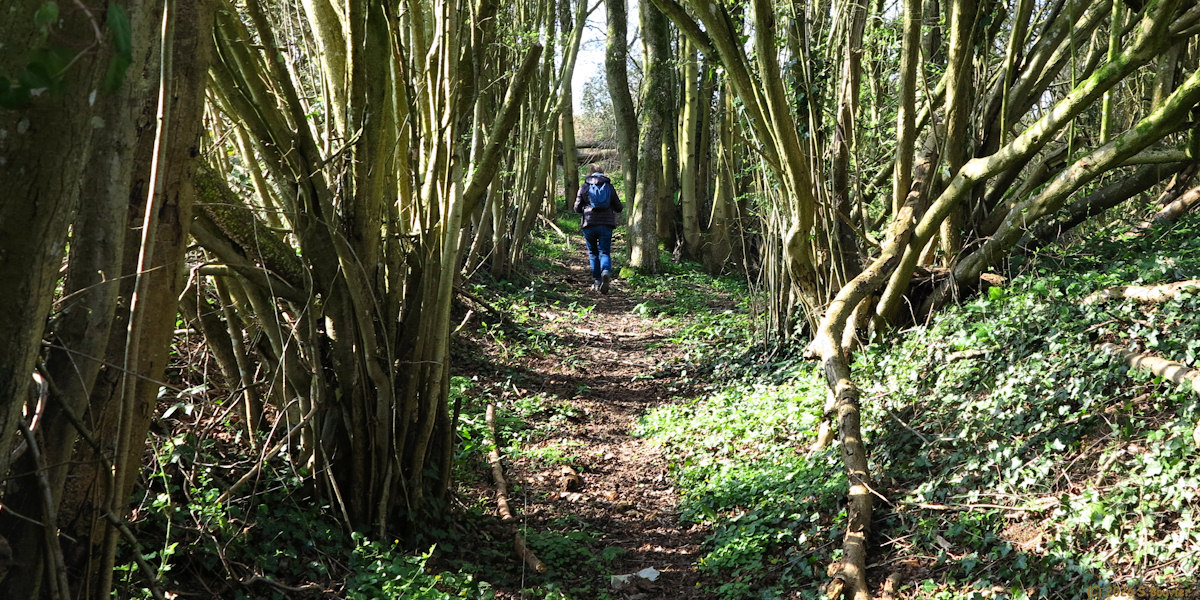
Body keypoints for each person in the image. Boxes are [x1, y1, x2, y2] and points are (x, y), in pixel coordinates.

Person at [574, 164, 623, 293]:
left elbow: (577, 208)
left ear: (590, 173)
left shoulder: (584, 187)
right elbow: (619, 207)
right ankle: (606, 271)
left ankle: (597, 281)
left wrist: (585, 206)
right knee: (604, 252)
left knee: (593, 253)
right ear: (602, 172)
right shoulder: (609, 186)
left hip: (589, 224)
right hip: (606, 224)